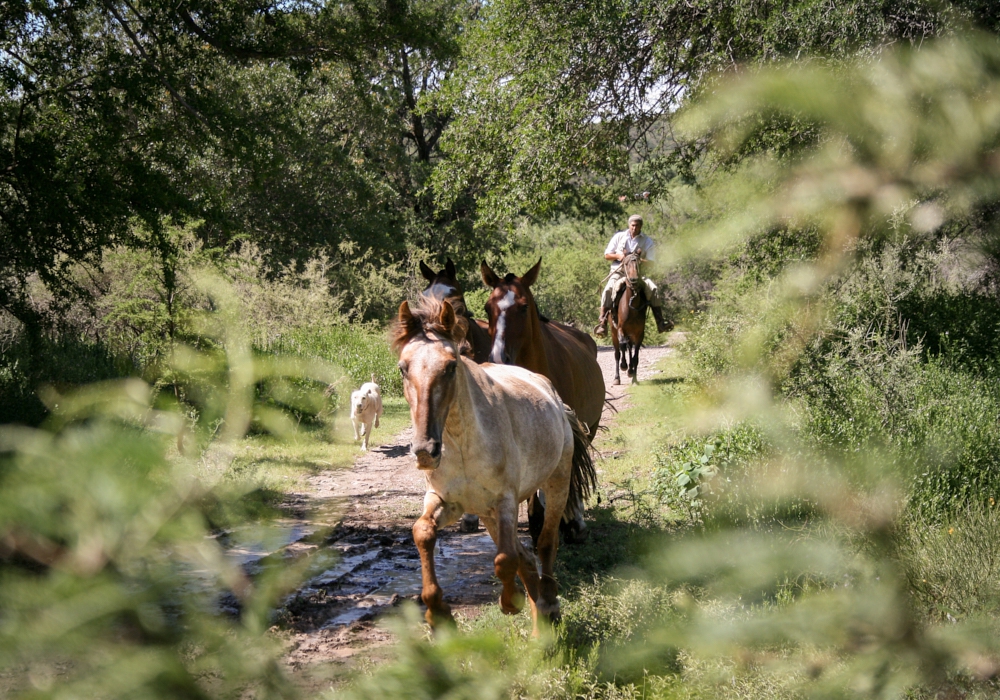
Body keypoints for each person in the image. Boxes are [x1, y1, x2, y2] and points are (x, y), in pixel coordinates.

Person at [593, 214, 672, 337]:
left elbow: (652, 263)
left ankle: (660, 322)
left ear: (641, 226)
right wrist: (619, 256)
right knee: (608, 289)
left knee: (654, 289)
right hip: (618, 272)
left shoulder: (647, 241)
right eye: (632, 225)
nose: (634, 228)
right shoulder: (619, 237)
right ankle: (602, 322)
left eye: (637, 225)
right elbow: (607, 255)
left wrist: (638, 261)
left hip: (638, 274)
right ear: (629, 225)